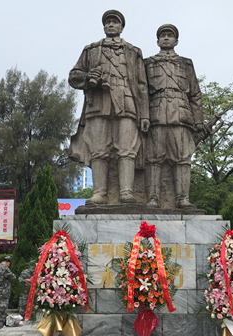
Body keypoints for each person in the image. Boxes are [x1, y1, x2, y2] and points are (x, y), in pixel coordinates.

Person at [68, 9, 150, 205]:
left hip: (127, 103)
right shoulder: (91, 50)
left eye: (115, 22)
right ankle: (100, 193)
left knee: (127, 150)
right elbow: (73, 76)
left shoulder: (133, 52)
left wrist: (145, 114)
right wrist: (88, 78)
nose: (111, 25)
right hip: (99, 103)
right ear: (104, 26)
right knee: (99, 150)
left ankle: (126, 192)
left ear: (121, 27)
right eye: (108, 22)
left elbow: (142, 85)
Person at [144, 24, 204, 208]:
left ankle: (182, 198)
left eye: (170, 35)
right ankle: (153, 198)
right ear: (157, 41)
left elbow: (195, 94)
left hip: (181, 115)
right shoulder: (148, 63)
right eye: (163, 36)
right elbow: (142, 92)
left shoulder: (186, 63)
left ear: (176, 41)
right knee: (154, 158)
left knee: (182, 158)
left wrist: (198, 121)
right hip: (156, 114)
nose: (166, 38)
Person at [0, 256, 16, 331]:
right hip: (4, 292)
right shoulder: (5, 269)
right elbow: (13, 277)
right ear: (8, 262)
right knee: (2, 311)